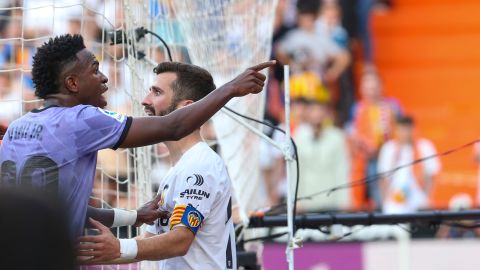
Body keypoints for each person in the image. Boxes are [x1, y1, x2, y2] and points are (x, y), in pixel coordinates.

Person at [0, 34, 274, 238]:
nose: (105, 78)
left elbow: (70, 211)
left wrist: (134, 216)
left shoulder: (16, 128)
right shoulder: (81, 118)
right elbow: (173, 127)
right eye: (95, 71)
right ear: (72, 83)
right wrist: (231, 89)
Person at [77, 62, 237, 270]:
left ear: (186, 108)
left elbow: (181, 240)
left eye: (157, 92)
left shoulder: (200, 164)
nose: (145, 101)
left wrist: (118, 246)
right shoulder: (178, 168)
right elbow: (147, 242)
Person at [378, 115, 440, 214]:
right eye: (401, 130)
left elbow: (431, 175)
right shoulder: (389, 148)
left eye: (407, 129)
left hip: (418, 201)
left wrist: (426, 198)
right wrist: (385, 201)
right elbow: (383, 178)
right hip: (394, 202)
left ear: (413, 129)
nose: (404, 133)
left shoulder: (424, 146)